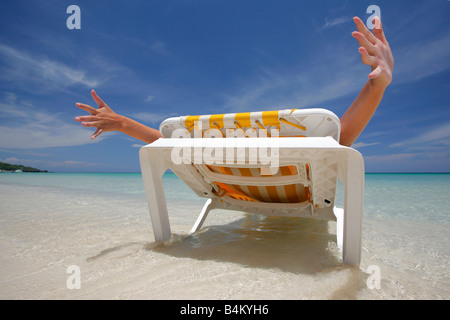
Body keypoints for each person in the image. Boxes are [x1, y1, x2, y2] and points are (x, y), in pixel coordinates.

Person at [75, 16, 393, 147]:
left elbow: (168, 144)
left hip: (234, 196)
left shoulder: (219, 162)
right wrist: (377, 85)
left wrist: (122, 123)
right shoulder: (289, 165)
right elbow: (339, 139)